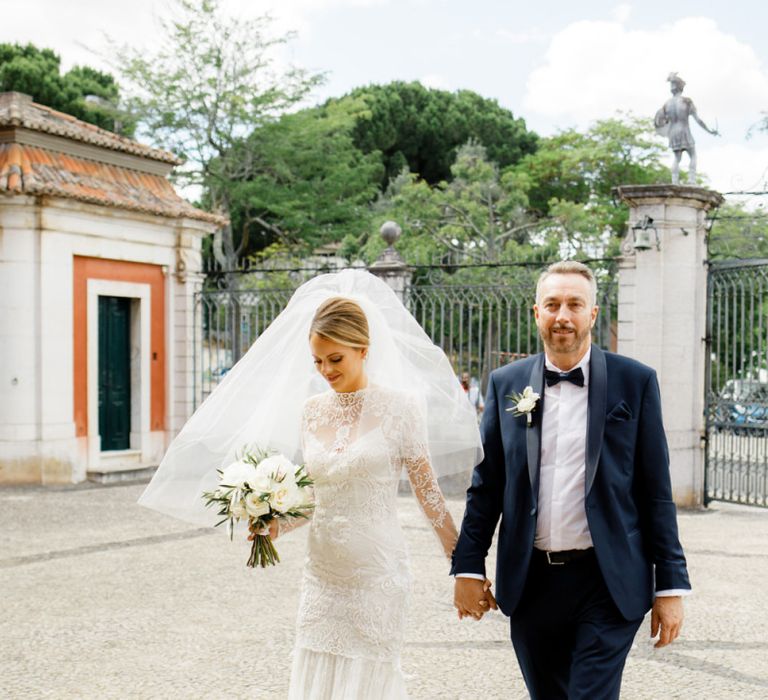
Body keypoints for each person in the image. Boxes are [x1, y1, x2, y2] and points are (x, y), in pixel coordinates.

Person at [138, 270, 483, 699]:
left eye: (335, 359)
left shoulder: (400, 409)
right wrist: (274, 524)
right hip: (322, 574)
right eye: (318, 361)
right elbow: (319, 493)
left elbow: (429, 495)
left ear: (363, 349)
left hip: (377, 572)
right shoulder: (312, 412)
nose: (325, 370)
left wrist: (464, 567)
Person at [451, 260, 691, 699]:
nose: (563, 315)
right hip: (531, 582)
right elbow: (486, 487)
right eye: (553, 304)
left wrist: (670, 586)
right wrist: (468, 567)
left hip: (608, 578)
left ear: (593, 314)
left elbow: (656, 492)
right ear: (536, 313)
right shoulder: (506, 384)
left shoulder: (635, 382)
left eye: (574, 304)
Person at [654, 72, 719, 185]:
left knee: (677, 158)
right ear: (681, 88)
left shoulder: (667, 104)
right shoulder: (686, 101)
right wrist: (710, 131)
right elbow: (698, 120)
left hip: (673, 133)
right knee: (693, 155)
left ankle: (675, 181)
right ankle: (691, 179)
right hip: (684, 130)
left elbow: (660, 120)